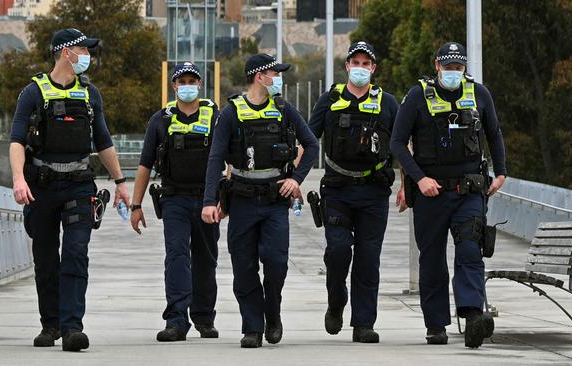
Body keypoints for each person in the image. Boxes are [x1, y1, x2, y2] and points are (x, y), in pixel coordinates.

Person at [9, 28, 130, 352]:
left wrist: (120, 183)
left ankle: (72, 326)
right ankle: (50, 325)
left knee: (76, 253)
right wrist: (19, 179)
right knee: (46, 259)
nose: (87, 55)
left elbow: (103, 142)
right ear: (66, 52)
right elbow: (17, 140)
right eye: (83, 49)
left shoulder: (90, 95)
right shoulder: (33, 92)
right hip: (41, 188)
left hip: (79, 185)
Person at [390, 42, 507, 348]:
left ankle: (471, 316)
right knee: (432, 261)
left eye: (458, 67)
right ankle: (435, 325)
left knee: (470, 248)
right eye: (448, 67)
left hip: (469, 190)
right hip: (431, 191)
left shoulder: (479, 94)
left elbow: (494, 134)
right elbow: (398, 143)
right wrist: (419, 179)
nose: (453, 72)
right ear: (436, 66)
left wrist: (502, 172)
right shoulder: (417, 96)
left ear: (464, 68)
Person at [201, 54, 319, 348]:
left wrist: (297, 179)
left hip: (275, 200)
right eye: (274, 73)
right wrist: (208, 200)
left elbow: (312, 144)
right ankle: (252, 327)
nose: (278, 78)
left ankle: (273, 313)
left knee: (277, 263)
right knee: (244, 267)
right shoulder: (231, 113)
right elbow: (215, 157)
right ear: (258, 76)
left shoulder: (283, 108)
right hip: (241, 199)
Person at [308, 41, 398, 343]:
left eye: (366, 63)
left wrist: (409, 186)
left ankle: (363, 323)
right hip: (337, 190)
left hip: (374, 192)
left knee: (368, 259)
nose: (360, 68)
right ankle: (336, 302)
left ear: (374, 68)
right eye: (355, 62)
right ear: (347, 65)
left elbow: (403, 146)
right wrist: (294, 178)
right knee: (338, 252)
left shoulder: (388, 103)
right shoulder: (330, 99)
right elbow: (309, 141)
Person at [130, 62, 220, 342]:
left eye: (192, 81)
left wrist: (224, 200)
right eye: (182, 81)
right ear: (173, 86)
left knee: (206, 260)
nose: (187, 86)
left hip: (207, 200)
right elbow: (145, 164)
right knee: (177, 257)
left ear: (200, 85)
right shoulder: (161, 120)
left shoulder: (216, 117)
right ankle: (176, 320)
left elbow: (228, 160)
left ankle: (204, 318)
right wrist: (136, 205)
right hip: (174, 199)